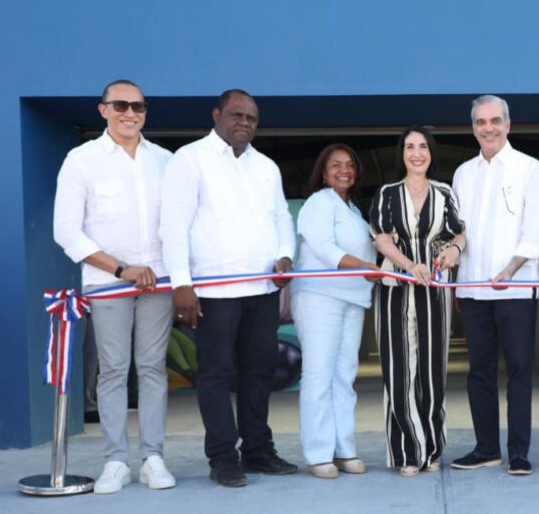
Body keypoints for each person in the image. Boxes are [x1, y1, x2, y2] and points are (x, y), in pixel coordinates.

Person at [160, 89, 298, 488]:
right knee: (216, 375)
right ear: (217, 114)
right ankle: (223, 457)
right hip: (213, 294)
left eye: (251, 118)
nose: (244, 123)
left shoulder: (266, 166)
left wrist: (285, 256)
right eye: (237, 115)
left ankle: (257, 450)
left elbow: (281, 219)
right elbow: (174, 226)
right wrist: (181, 284)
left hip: (263, 290)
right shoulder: (189, 159)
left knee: (259, 373)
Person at [53, 79, 176, 494]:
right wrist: (122, 269)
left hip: (159, 282)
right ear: (103, 109)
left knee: (153, 368)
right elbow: (66, 230)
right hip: (108, 285)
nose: (130, 113)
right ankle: (116, 461)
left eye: (138, 106)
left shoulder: (165, 160)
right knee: (113, 370)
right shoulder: (81, 160)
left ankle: (153, 458)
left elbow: (180, 224)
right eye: (121, 105)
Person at [451, 95, 539, 476]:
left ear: (508, 125)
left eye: (494, 121)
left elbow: (534, 230)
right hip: (473, 288)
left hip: (515, 289)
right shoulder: (463, 173)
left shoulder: (529, 167)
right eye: (480, 122)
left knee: (519, 369)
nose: (488, 128)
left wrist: (510, 269)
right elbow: (458, 230)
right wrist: (456, 278)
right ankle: (486, 448)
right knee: (479, 370)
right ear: (473, 128)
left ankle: (518, 452)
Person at [370, 126, 466, 477]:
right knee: (398, 369)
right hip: (395, 287)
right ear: (402, 154)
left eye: (423, 146)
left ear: (431, 153)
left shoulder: (444, 193)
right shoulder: (386, 193)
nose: (416, 153)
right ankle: (407, 452)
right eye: (409, 147)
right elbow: (381, 239)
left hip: (435, 288)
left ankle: (433, 448)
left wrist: (454, 251)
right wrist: (409, 265)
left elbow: (459, 233)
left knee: (432, 369)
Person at [292, 144, 378, 479]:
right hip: (319, 297)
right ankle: (318, 454)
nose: (344, 170)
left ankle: (344, 449)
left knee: (344, 376)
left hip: (353, 299)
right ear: (324, 173)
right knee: (319, 375)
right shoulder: (319, 202)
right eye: (335, 165)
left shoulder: (353, 209)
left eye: (350, 165)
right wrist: (363, 266)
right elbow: (325, 247)